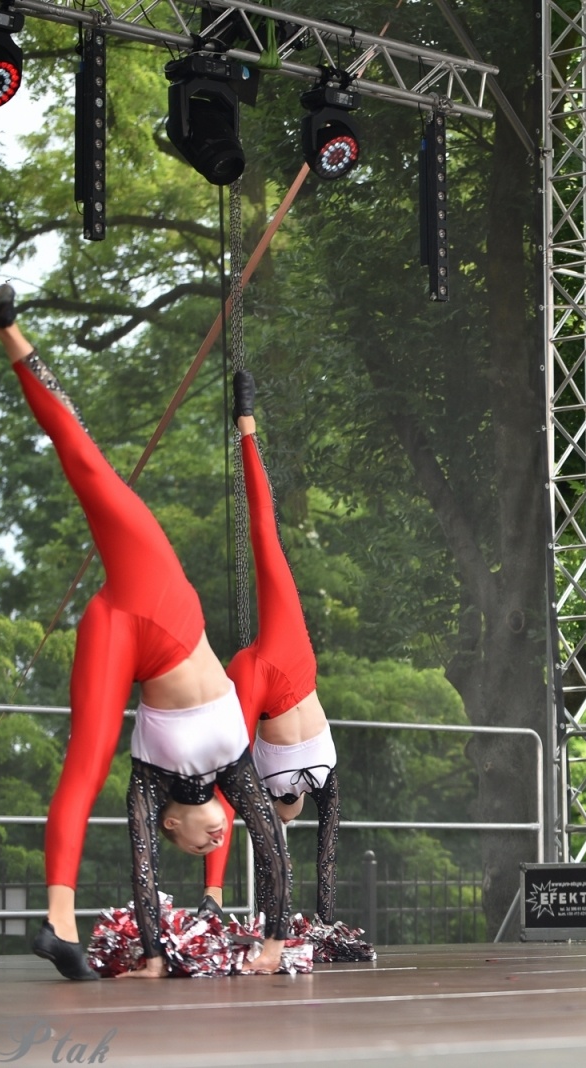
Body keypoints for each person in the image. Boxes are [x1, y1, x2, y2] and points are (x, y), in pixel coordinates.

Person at [0, 286, 291, 979]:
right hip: (164, 609)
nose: (212, 833)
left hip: (121, 623)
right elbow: (266, 840)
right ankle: (11, 335)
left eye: (198, 839)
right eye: (212, 832)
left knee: (84, 764)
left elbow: (146, 862)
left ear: (172, 825)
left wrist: (154, 952)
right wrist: (272, 939)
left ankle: (59, 920)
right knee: (84, 462)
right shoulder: (230, 772)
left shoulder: (149, 785)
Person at [199, 371, 341, 923]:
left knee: (267, 535)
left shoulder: (324, 773)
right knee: (227, 771)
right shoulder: (303, 784)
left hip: (288, 672)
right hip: (274, 679)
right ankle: (222, 895)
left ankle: (248, 426)